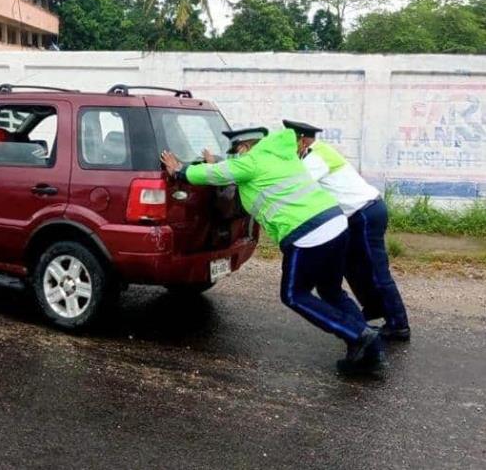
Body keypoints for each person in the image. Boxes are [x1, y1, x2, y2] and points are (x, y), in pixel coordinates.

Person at [160, 127, 384, 374]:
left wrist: (180, 170)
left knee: (294, 294)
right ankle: (369, 349)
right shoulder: (279, 154)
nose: (235, 157)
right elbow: (234, 171)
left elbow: (216, 173)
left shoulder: (251, 162)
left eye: (235, 152)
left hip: (308, 232)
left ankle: (359, 336)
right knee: (330, 291)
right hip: (335, 222)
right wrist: (221, 163)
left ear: (244, 148)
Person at [283, 119, 410, 341]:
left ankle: (399, 324)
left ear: (301, 141)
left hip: (364, 213)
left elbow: (298, 185)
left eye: (289, 142)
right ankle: (373, 310)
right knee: (352, 268)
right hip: (355, 216)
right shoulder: (313, 154)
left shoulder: (315, 157)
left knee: (377, 271)